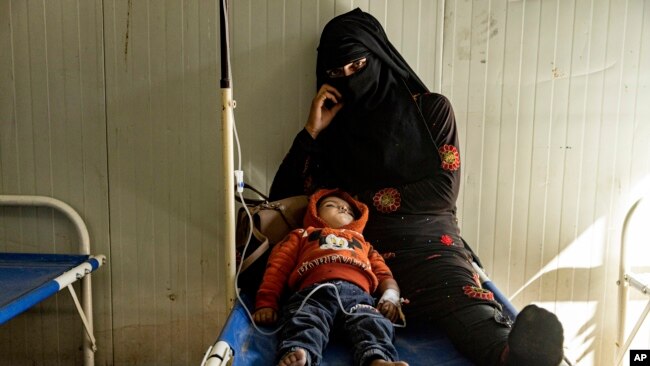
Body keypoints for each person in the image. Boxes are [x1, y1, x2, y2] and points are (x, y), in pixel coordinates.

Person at [268, 8, 565, 366]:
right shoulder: (334, 137)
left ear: (378, 55)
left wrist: (362, 199)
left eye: (358, 66)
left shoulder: (432, 113)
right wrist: (311, 133)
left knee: (471, 311)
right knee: (318, 311)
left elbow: (442, 192)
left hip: (431, 251)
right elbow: (281, 200)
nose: (350, 79)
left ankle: (515, 357)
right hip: (358, 261)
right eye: (337, 73)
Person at [253, 188, 409, 366]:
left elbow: (384, 274)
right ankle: (300, 353)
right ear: (314, 212)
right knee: (305, 319)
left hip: (358, 298)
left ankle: (376, 358)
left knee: (373, 322)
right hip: (314, 294)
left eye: (349, 210)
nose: (343, 209)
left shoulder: (364, 244)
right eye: (331, 205)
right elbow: (278, 268)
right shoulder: (302, 235)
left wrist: (390, 296)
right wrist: (266, 302)